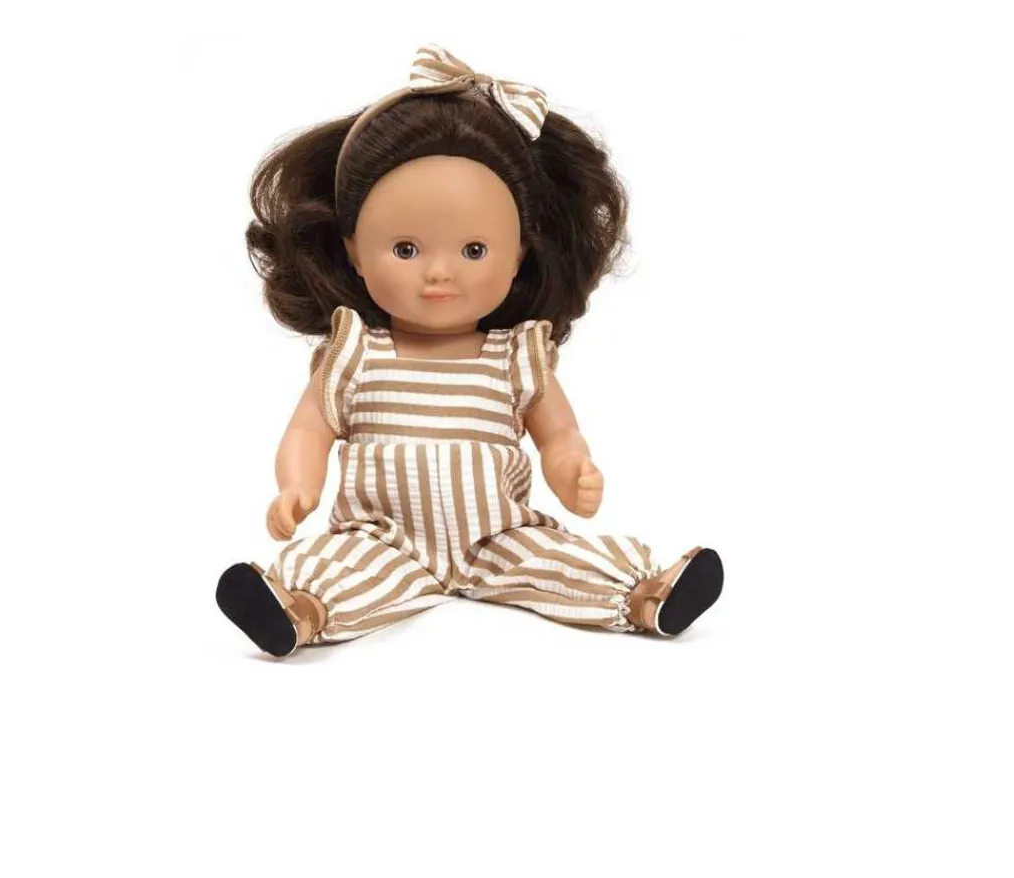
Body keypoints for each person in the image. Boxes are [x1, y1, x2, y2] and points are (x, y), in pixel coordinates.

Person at [216, 43, 724, 657]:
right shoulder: (354, 353)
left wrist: (571, 471)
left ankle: (645, 595)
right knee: (339, 567)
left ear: (519, 256)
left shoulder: (516, 355)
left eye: (474, 250)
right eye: (405, 249)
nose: (439, 272)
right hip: (381, 536)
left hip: (499, 535)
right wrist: (297, 486)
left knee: (555, 558)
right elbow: (308, 430)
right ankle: (297, 611)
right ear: (353, 252)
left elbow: (559, 433)